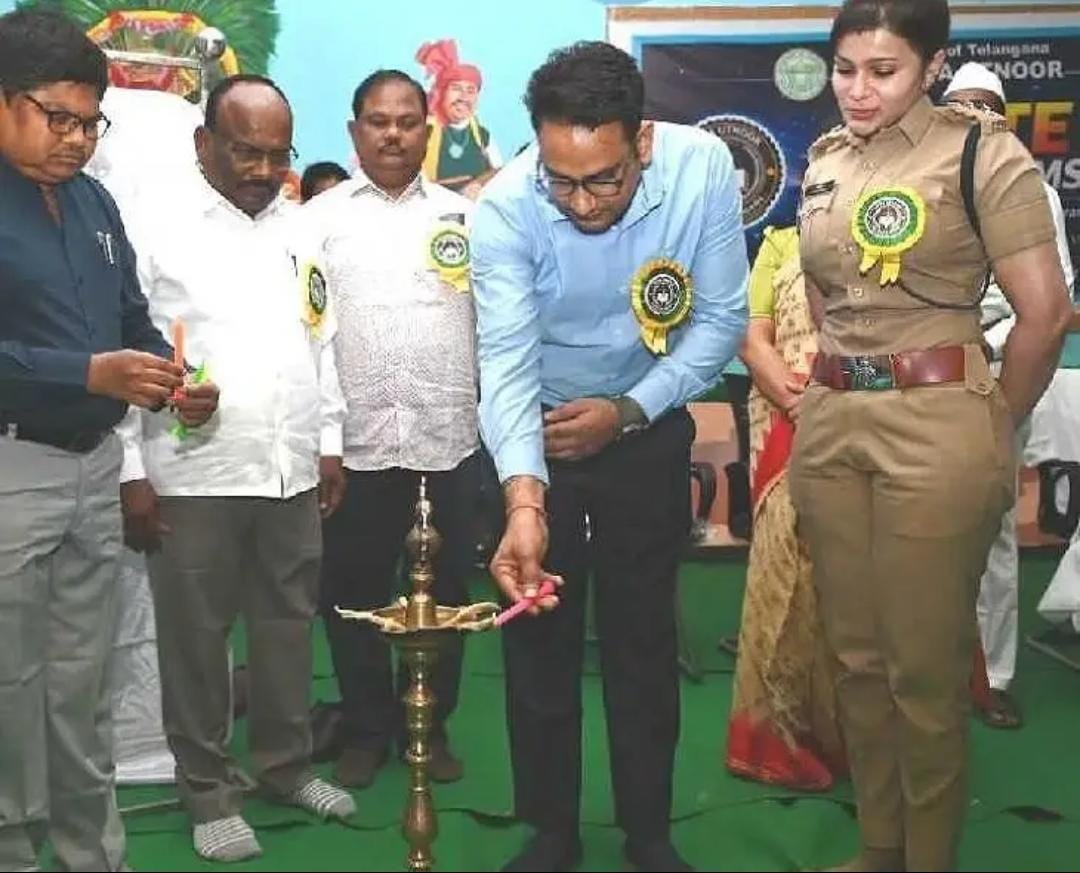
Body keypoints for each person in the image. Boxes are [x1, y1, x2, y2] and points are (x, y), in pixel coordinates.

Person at [788, 1, 1072, 869]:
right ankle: (880, 846)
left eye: (884, 71)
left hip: (938, 418)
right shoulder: (826, 159)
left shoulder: (982, 152)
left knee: (923, 667)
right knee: (856, 659)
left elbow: (1045, 312)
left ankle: (929, 859)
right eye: (845, 69)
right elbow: (827, 296)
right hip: (832, 418)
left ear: (933, 66)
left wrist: (991, 418)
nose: (858, 89)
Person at [472, 41, 749, 873]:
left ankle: (648, 832)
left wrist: (629, 411)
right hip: (540, 432)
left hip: (644, 424)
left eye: (603, 179)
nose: (583, 202)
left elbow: (720, 320)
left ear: (643, 141)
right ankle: (551, 829)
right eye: (562, 180)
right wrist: (525, 502)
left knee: (641, 641)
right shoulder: (505, 207)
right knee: (538, 640)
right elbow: (505, 363)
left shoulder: (701, 168)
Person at [0, 9, 217, 871]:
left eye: (92, 123)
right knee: (8, 688)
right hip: (12, 465)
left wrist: (172, 380)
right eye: (59, 118)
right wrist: (87, 374)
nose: (78, 140)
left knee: (81, 684)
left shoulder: (94, 201)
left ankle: (91, 854)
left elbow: (130, 318)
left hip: (92, 470)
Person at [117, 74, 354, 863]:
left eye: (277, 154)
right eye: (246, 151)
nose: (263, 169)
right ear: (204, 144)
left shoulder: (303, 228)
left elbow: (321, 340)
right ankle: (208, 790)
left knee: (288, 626)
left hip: (288, 468)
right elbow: (126, 350)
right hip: (193, 473)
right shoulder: (155, 225)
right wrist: (131, 469)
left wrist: (328, 442)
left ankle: (285, 767)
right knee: (197, 641)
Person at [302, 70, 477, 790]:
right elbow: (311, 334)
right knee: (353, 593)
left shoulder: (465, 218)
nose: (394, 134)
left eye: (408, 122)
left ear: (427, 132)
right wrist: (326, 441)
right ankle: (368, 728)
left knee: (447, 593)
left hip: (450, 439)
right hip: (358, 447)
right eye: (379, 121)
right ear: (355, 132)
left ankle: (431, 725)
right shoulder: (317, 221)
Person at [941, 61, 1077, 730]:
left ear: (1003, 118)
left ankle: (992, 676)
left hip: (996, 371)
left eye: (984, 107)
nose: (972, 118)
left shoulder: (1031, 189)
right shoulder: (922, 181)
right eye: (959, 106)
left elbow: (1056, 302)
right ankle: (919, 671)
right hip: (923, 373)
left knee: (990, 529)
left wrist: (992, 353)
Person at [725, 226, 845, 792]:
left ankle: (846, 734)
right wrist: (799, 402)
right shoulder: (780, 243)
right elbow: (752, 336)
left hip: (869, 415)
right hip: (784, 416)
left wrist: (835, 398)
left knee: (858, 579)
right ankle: (772, 739)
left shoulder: (898, 227)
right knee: (784, 571)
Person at [416, 39, 502, 199]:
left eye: (471, 91)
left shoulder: (483, 137)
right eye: (456, 88)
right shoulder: (423, 133)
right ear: (442, 93)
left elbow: (500, 175)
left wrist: (478, 184)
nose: (463, 97)